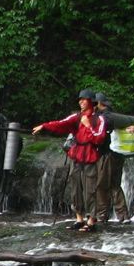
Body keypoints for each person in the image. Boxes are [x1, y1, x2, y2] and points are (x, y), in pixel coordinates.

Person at [33, 89, 107, 232]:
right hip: (77, 156)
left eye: (83, 99)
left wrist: (88, 126)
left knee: (90, 189)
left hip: (90, 157)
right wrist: (44, 126)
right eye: (80, 99)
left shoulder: (99, 119)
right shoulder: (77, 117)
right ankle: (79, 218)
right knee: (75, 188)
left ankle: (91, 220)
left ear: (91, 102)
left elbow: (99, 138)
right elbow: (61, 124)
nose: (80, 102)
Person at [94, 92, 134, 223]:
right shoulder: (116, 117)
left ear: (99, 103)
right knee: (115, 185)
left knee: (102, 185)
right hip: (119, 155)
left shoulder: (103, 117)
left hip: (107, 155)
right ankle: (123, 215)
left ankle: (102, 215)